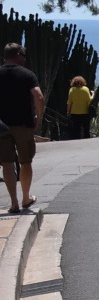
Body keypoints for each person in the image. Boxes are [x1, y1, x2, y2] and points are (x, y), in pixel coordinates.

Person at [0, 43, 45, 213]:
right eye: (24, 55)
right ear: (18, 54)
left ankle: (14, 203)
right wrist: (38, 117)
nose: (25, 59)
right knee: (25, 161)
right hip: (24, 124)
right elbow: (39, 97)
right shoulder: (27, 75)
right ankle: (26, 197)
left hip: (2, 126)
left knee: (7, 163)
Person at [66, 75, 93, 139]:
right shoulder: (86, 89)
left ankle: (76, 141)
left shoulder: (71, 90)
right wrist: (93, 94)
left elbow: (69, 102)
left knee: (76, 130)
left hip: (74, 112)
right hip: (85, 112)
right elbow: (89, 100)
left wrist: (68, 112)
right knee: (86, 129)